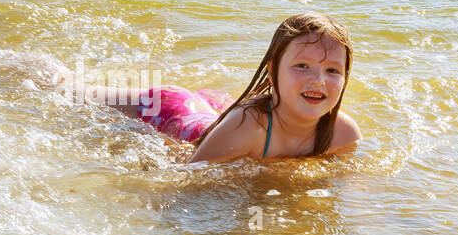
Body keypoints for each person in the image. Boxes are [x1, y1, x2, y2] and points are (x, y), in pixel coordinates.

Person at [54, 12, 361, 164]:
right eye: (302, 66)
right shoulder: (248, 126)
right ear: (272, 72)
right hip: (170, 112)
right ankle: (26, 64)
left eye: (333, 70)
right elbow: (187, 178)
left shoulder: (343, 133)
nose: (318, 80)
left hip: (215, 116)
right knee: (71, 91)